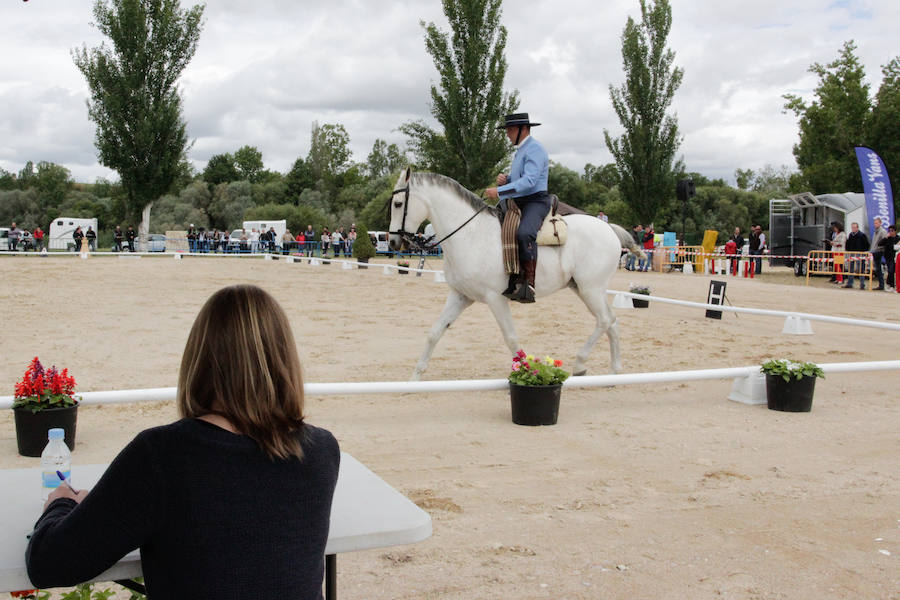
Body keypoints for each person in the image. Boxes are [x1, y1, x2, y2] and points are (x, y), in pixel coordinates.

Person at [26, 284, 340, 598]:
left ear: (200, 358)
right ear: (284, 358)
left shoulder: (162, 457)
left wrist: (60, 503)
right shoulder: (322, 450)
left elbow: (49, 564)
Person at [484, 112, 551, 303]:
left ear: (524, 129)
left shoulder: (535, 149)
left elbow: (530, 181)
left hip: (535, 201)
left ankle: (529, 283)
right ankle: (511, 274)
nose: (507, 134)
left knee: (524, 233)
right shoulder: (521, 150)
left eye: (510, 130)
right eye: (507, 130)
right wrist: (507, 179)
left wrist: (499, 190)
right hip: (518, 200)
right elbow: (520, 179)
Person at [843, 222, 869, 289]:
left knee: (860, 269)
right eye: (852, 227)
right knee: (850, 268)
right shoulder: (850, 235)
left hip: (859, 254)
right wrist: (848, 250)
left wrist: (862, 251)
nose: (853, 229)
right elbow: (848, 243)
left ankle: (862, 284)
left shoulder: (862, 235)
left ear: (857, 228)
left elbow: (867, 244)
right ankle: (850, 283)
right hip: (851, 253)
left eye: (854, 227)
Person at [869, 217, 887, 291]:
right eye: (874, 223)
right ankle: (881, 284)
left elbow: (884, 241)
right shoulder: (875, 231)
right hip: (874, 251)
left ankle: (882, 285)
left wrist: (879, 249)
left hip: (879, 252)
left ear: (880, 223)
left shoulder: (882, 231)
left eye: (876, 223)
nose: (875, 224)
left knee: (879, 269)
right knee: (877, 269)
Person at [879, 224, 898, 291]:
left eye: (892, 231)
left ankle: (890, 284)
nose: (890, 232)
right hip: (888, 257)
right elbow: (880, 244)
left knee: (891, 270)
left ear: (895, 231)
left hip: (895, 257)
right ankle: (890, 285)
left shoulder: (898, 238)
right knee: (890, 271)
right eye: (889, 231)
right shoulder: (888, 238)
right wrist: (885, 237)